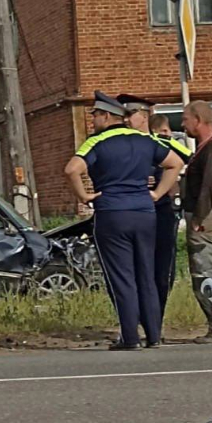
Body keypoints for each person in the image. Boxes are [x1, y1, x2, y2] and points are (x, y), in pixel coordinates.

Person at [64, 91, 184, 351]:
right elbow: (175, 163)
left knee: (122, 276)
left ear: (107, 116)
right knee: (147, 274)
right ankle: (154, 335)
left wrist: (84, 196)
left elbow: (72, 169)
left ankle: (130, 337)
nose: (93, 120)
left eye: (95, 115)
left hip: (112, 214)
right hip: (144, 212)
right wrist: (156, 193)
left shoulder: (97, 142)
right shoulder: (144, 140)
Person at [181, 100, 212, 343]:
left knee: (209, 270)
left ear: (198, 120)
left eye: (185, 119)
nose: (183, 124)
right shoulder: (206, 148)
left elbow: (209, 186)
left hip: (206, 217)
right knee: (202, 270)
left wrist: (198, 218)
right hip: (204, 215)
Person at [149, 112, 192, 319]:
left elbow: (186, 157)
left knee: (160, 264)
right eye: (163, 132)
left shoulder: (161, 145)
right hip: (158, 206)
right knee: (161, 265)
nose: (167, 135)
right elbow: (186, 156)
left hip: (161, 207)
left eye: (167, 132)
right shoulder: (156, 143)